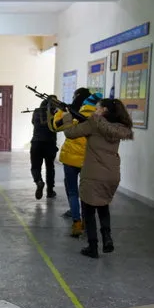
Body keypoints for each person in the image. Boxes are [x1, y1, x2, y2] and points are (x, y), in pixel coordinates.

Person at [63, 98, 133, 258]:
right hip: (112, 174)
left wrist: (67, 117)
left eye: (97, 108)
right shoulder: (119, 127)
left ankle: (92, 247)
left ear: (104, 111)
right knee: (103, 205)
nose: (95, 111)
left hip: (93, 173)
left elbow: (70, 133)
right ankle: (107, 238)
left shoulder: (94, 124)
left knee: (88, 210)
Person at [53, 89, 100, 237]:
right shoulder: (99, 118)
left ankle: (77, 223)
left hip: (70, 160)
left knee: (73, 192)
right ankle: (87, 222)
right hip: (89, 161)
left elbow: (56, 126)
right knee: (87, 194)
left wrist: (61, 112)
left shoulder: (73, 114)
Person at [30, 97, 59, 199]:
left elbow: (33, 122)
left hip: (36, 142)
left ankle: (39, 181)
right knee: (50, 167)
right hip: (50, 143)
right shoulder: (55, 113)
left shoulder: (37, 112)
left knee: (35, 166)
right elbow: (57, 127)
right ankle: (50, 191)